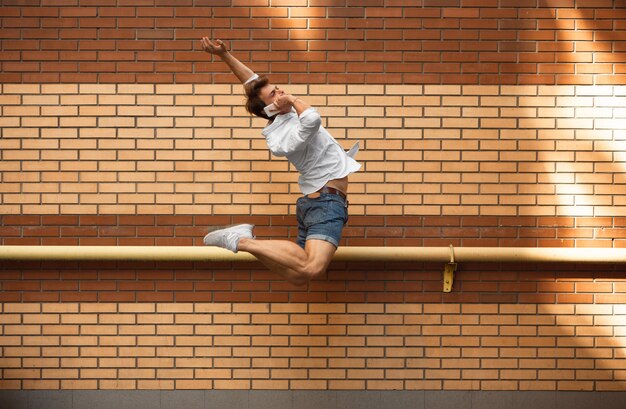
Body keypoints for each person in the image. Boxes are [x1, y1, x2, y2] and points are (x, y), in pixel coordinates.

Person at [200, 38, 361, 286]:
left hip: (318, 201)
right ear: (270, 108)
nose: (281, 91)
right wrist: (293, 101)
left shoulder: (285, 117)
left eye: (278, 88)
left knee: (299, 275)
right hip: (326, 202)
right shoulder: (280, 133)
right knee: (312, 267)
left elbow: (252, 81)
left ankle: (244, 240)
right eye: (275, 94)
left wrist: (225, 55)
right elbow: (312, 119)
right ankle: (242, 241)